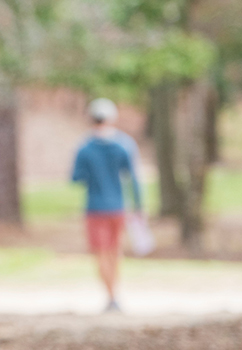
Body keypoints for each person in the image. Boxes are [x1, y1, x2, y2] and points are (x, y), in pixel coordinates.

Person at [71, 97, 143, 313]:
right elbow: (134, 178)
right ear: (112, 118)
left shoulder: (84, 148)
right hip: (118, 207)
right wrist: (138, 206)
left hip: (95, 207)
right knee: (115, 251)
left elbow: (76, 178)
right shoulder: (125, 145)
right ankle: (115, 295)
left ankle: (111, 296)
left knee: (100, 253)